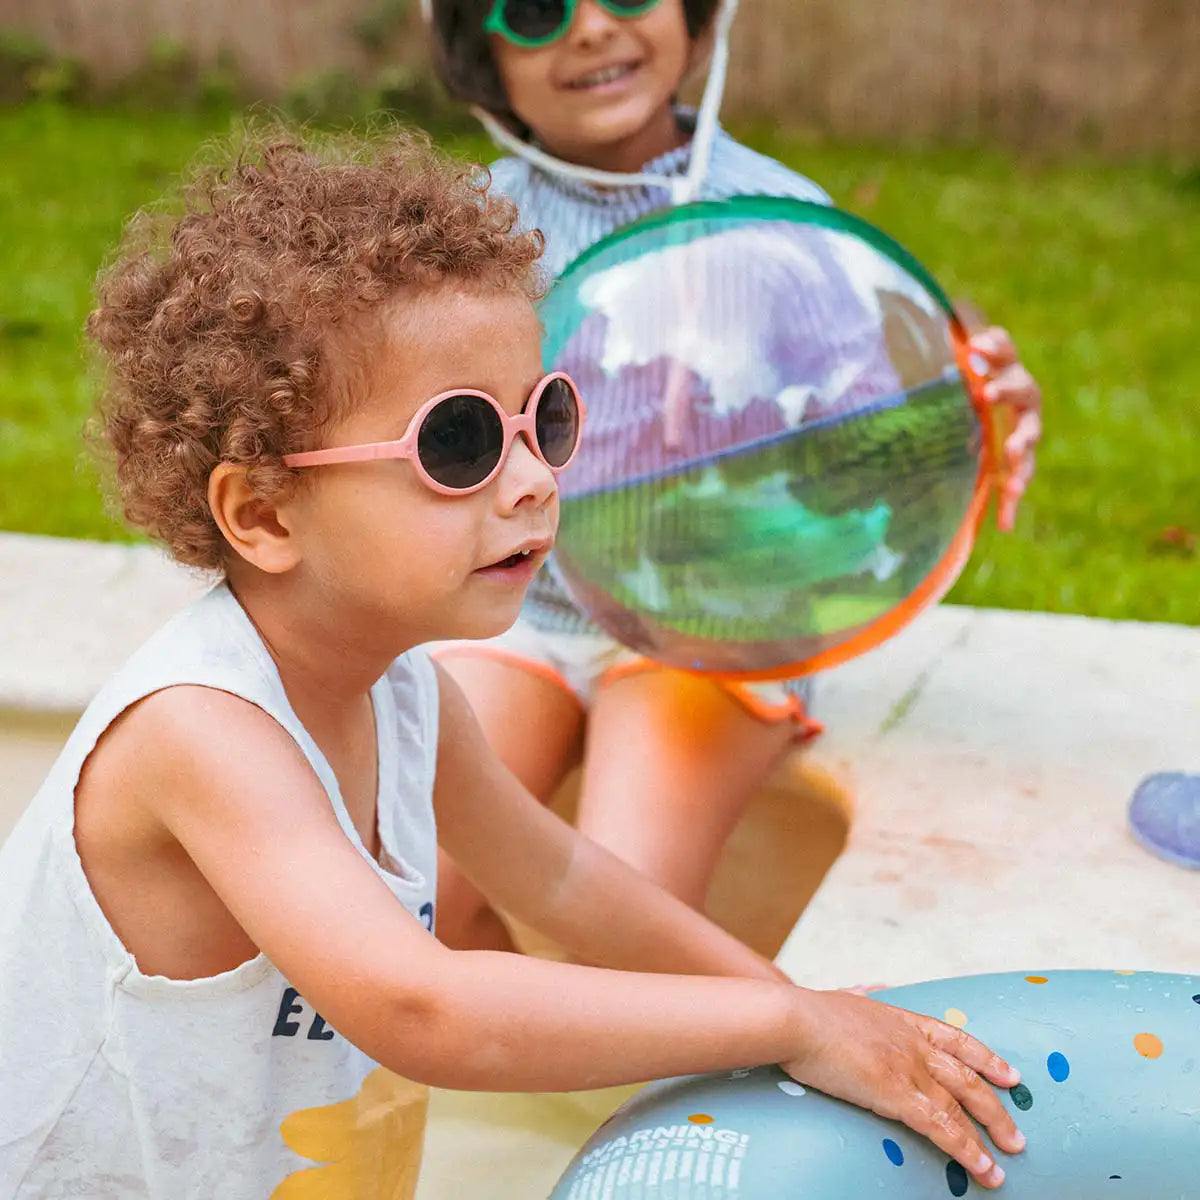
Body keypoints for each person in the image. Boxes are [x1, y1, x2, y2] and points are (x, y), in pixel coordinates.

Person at [0, 123, 1025, 1197]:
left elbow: (565, 879)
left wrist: (811, 1014)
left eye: (546, 417)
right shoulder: (201, 734)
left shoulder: (404, 696)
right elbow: (423, 1009)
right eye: (460, 444)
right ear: (262, 510)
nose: (534, 477)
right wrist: (784, 1020)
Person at [425, 0, 1044, 950]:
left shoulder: (780, 224)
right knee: (414, 891)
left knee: (622, 920)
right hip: (518, 611)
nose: (593, 29)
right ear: (480, 49)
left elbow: (873, 419)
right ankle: (536, 1057)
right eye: (540, 10)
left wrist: (966, 402)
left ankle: (633, 1066)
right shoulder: (460, 230)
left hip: (710, 624)